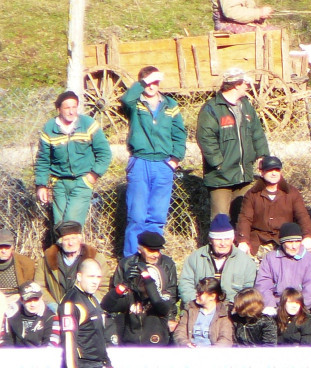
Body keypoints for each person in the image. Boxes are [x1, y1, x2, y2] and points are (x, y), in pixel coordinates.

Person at [120, 65, 187, 257]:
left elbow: (179, 134)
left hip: (163, 166)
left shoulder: (170, 105)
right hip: (140, 163)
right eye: (148, 81)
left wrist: (175, 159)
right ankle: (131, 261)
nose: (152, 85)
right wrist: (143, 82)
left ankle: (152, 257)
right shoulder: (135, 103)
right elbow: (125, 99)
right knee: (137, 217)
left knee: (157, 217)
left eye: (156, 81)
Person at [197, 67, 270, 221]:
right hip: (220, 177)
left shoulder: (246, 106)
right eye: (245, 83)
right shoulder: (212, 108)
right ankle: (216, 245)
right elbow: (206, 138)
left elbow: (257, 132)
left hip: (244, 175)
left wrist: (263, 155)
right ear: (236, 84)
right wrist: (219, 164)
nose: (248, 86)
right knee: (220, 221)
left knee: (243, 218)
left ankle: (240, 245)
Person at [34, 91, 112, 226]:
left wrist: (92, 176)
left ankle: (74, 246)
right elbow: (43, 159)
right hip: (59, 183)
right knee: (59, 226)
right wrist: (41, 185)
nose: (71, 112)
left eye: (74, 107)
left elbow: (104, 153)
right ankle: (61, 247)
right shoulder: (49, 128)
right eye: (67, 108)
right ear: (58, 109)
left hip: (82, 182)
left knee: (71, 225)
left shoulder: (88, 124)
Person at [101, 231, 177, 346]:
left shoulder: (167, 264)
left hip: (156, 315)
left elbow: (170, 294)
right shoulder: (126, 264)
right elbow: (112, 299)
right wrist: (124, 284)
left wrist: (170, 318)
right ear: (140, 249)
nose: (156, 254)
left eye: (158, 250)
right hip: (131, 312)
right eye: (151, 251)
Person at [235, 155, 311, 259]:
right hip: (258, 242)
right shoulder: (252, 194)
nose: (274, 173)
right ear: (262, 172)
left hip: (284, 240)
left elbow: (302, 216)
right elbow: (245, 219)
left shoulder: (292, 193)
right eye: (269, 170)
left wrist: (307, 237)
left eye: (277, 170)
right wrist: (243, 241)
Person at [178, 214, 257, 304]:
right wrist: (196, 303)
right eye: (218, 239)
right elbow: (185, 285)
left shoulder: (246, 262)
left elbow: (248, 290)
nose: (223, 243)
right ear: (210, 240)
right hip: (200, 308)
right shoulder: (195, 258)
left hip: (232, 310)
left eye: (227, 239)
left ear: (232, 239)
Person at [35, 221, 111, 306]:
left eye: (73, 238)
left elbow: (104, 286)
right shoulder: (46, 261)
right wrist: (53, 306)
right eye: (66, 239)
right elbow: (40, 286)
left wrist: (90, 306)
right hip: (56, 309)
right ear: (60, 242)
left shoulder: (96, 259)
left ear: (80, 240)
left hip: (87, 309)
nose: (70, 243)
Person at [59, 258, 114, 368]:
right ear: (79, 277)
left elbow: (99, 336)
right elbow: (69, 343)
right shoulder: (72, 302)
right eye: (91, 277)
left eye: (98, 277)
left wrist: (107, 363)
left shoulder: (93, 299)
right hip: (83, 363)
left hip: (98, 363)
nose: (95, 281)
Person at [254, 222, 311, 310]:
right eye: (289, 242)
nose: (294, 246)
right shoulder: (270, 258)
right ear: (282, 242)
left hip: (300, 309)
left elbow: (309, 291)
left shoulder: (310, 260)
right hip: (275, 307)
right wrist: (270, 305)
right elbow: (263, 285)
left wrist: (298, 308)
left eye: (297, 242)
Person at [173, 277, 233, 347]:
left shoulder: (224, 313)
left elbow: (226, 339)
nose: (196, 294)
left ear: (212, 296)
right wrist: (185, 343)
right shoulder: (190, 309)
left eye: (200, 293)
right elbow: (180, 331)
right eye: (197, 292)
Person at [3, 281, 59, 347]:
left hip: (41, 355)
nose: (32, 304)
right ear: (21, 300)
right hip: (16, 355)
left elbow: (52, 344)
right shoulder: (11, 314)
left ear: (41, 298)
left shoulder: (51, 317)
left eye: (36, 299)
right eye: (28, 300)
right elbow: (6, 340)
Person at [0, 227, 37, 302]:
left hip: (18, 299)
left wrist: (19, 297)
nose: (3, 251)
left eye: (7, 247)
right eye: (0, 247)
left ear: (12, 247)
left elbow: (31, 288)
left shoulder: (26, 263)